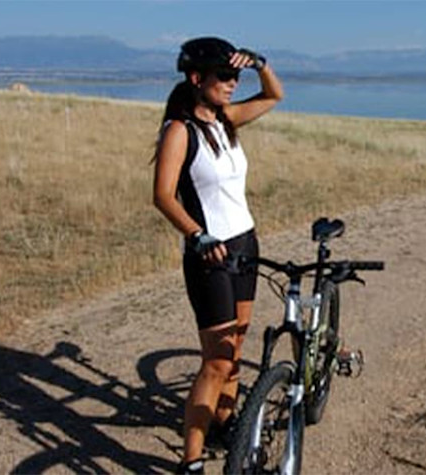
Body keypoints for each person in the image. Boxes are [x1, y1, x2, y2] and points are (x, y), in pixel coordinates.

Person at [152, 36, 283, 474]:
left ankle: (227, 422)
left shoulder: (226, 120)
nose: (232, 83)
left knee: (237, 344)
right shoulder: (179, 130)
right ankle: (190, 459)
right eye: (225, 76)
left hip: (246, 243)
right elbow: (163, 196)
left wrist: (260, 63)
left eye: (236, 76)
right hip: (210, 254)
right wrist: (197, 235)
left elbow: (273, 94)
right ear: (196, 78)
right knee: (217, 360)